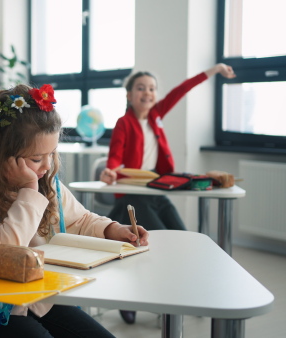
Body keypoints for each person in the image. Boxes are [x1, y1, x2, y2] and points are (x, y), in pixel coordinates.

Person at [0, 83, 149, 338]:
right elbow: (3, 250)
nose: (47, 166)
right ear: (1, 154)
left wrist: (112, 229)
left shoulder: (45, 183)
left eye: (51, 153)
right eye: (37, 158)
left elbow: (79, 218)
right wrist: (29, 190)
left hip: (39, 299)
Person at [99, 63, 236, 324]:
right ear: (129, 95)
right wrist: (110, 170)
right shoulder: (123, 123)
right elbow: (115, 155)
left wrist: (214, 71)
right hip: (131, 197)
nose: (147, 93)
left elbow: (181, 90)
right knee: (160, 247)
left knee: (183, 239)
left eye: (151, 88)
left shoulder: (157, 115)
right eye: (140, 88)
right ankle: (135, 299)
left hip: (155, 191)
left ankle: (186, 295)